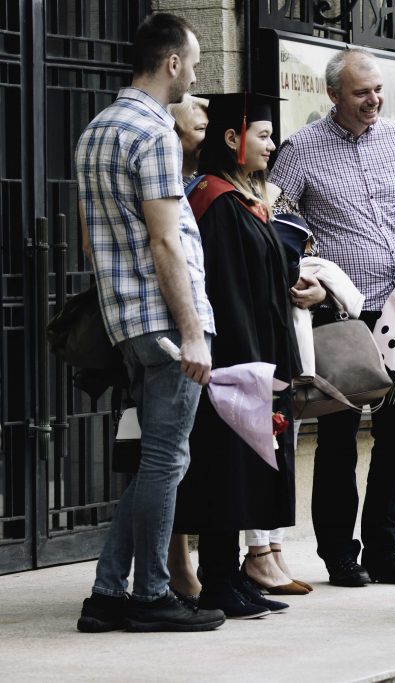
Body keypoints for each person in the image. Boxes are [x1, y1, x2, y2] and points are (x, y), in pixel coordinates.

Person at [74, 13, 224, 633]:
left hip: (125, 317)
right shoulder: (155, 131)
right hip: (165, 319)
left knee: (152, 458)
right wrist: (192, 333)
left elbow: (90, 242)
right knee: (167, 458)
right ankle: (151, 595)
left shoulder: (95, 130)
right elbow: (166, 242)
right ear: (170, 63)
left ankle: (108, 593)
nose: (194, 72)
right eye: (192, 61)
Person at [269, 47, 395, 587]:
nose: (374, 100)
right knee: (338, 441)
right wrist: (305, 277)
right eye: (362, 92)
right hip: (339, 315)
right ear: (333, 94)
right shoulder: (300, 149)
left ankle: (387, 550)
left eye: (378, 89)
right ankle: (340, 554)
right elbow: (276, 224)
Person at [173, 92, 314, 617]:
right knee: (223, 468)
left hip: (255, 355)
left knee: (242, 468)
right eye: (263, 135)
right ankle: (218, 580)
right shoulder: (214, 201)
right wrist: (252, 359)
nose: (272, 145)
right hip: (235, 358)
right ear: (232, 139)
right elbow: (228, 290)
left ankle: (231, 576)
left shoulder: (240, 197)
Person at [162, 93, 209, 604]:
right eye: (193, 119)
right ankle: (171, 566)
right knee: (162, 456)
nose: (204, 123)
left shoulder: (204, 181)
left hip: (200, 326)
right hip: (166, 329)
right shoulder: (160, 175)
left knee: (179, 454)